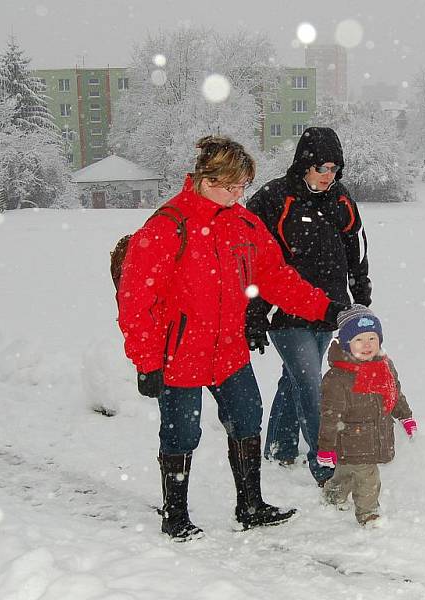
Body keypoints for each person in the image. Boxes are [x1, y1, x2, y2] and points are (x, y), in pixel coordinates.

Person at [116, 135, 345, 541]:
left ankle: (250, 505)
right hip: (179, 353)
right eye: (230, 186)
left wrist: (324, 308)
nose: (237, 194)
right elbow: (138, 300)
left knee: (247, 419)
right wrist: (146, 362)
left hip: (228, 351)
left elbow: (275, 276)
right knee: (181, 433)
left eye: (243, 186)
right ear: (206, 178)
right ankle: (175, 514)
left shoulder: (244, 224)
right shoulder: (170, 225)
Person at [245, 127, 371, 486]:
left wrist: (359, 292)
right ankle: (326, 467)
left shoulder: (340, 198)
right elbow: (251, 260)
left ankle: (279, 448)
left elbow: (356, 246)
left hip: (329, 307)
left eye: (335, 169)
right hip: (284, 311)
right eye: (323, 168)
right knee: (312, 385)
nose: (329, 177)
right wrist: (253, 313)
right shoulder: (273, 199)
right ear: (304, 165)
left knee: (296, 378)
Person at [317, 305, 416, 526]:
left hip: (377, 433)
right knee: (367, 478)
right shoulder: (338, 378)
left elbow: (394, 393)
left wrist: (405, 416)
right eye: (359, 339)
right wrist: (325, 447)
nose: (367, 345)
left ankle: (332, 495)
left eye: (372, 338)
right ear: (346, 343)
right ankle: (368, 514)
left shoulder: (384, 366)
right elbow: (330, 416)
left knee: (346, 472)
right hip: (353, 437)